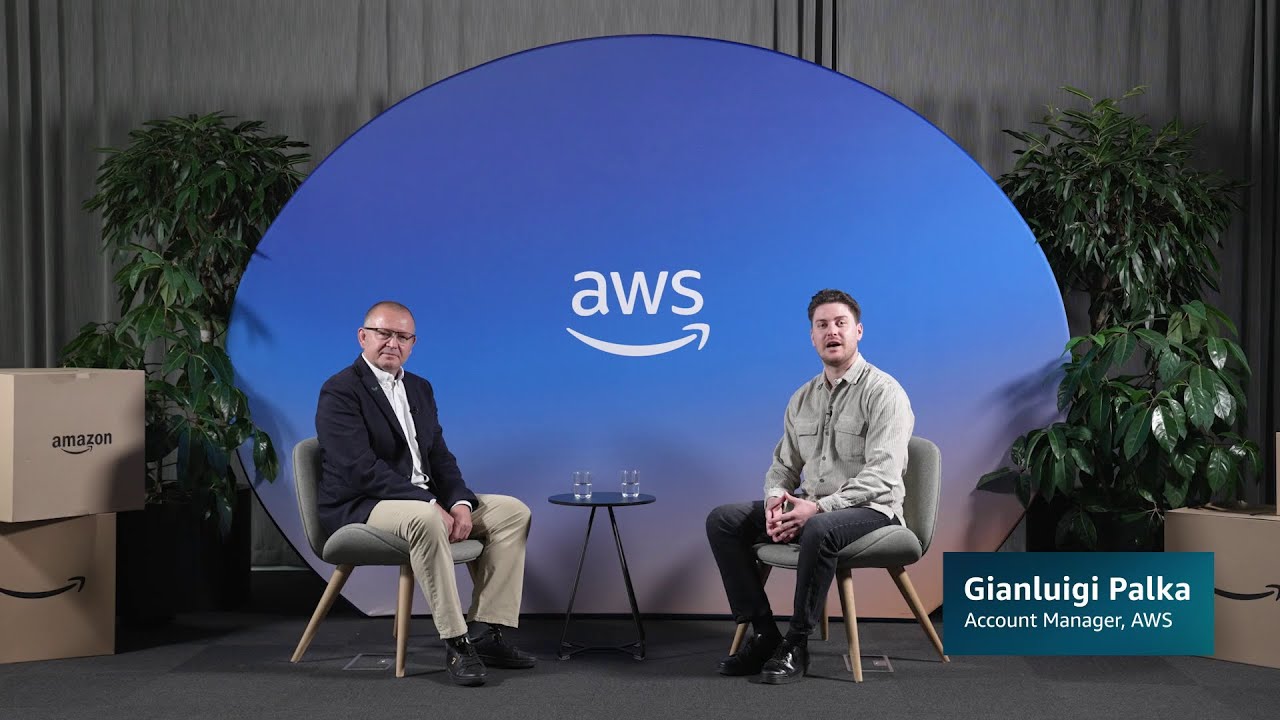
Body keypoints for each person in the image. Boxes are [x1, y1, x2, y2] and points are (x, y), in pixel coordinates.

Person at [315, 300, 535, 687]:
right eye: (384, 333)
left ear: (412, 344)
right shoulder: (340, 391)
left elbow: (439, 456)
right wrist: (431, 503)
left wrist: (461, 502)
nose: (392, 343)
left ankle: (486, 630)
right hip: (363, 504)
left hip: (423, 499)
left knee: (512, 512)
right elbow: (360, 469)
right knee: (426, 518)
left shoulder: (419, 387)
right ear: (363, 336)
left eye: (402, 336)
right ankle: (456, 641)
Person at [705, 289, 914, 684]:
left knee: (819, 527)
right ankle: (766, 634)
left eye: (840, 324)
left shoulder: (885, 392)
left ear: (859, 331)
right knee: (724, 520)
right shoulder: (802, 397)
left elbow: (883, 475)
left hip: (872, 509)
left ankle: (797, 642)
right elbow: (783, 465)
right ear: (812, 336)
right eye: (822, 325)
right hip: (812, 504)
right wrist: (774, 501)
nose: (831, 332)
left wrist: (816, 509)